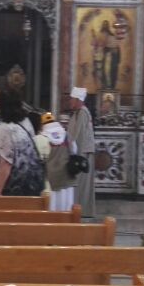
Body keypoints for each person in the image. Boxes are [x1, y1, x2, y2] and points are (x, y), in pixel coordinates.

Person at [0, 89, 45, 197]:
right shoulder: (26, 122)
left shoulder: (6, 129)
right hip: (33, 183)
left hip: (14, 186)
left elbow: (6, 162)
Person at [34, 113, 76, 212]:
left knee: (52, 210)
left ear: (42, 125)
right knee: (66, 209)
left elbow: (36, 159)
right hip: (66, 179)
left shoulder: (40, 138)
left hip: (50, 181)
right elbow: (74, 150)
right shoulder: (66, 135)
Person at [67, 86, 96, 217]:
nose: (70, 102)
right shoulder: (77, 112)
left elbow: (78, 135)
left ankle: (82, 211)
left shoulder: (82, 113)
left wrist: (73, 154)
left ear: (78, 100)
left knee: (82, 185)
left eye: (72, 99)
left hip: (82, 154)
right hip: (80, 152)